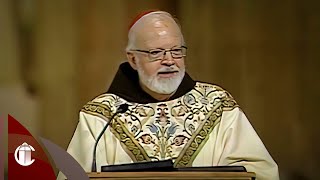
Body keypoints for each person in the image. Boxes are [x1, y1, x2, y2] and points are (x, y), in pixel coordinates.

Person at [61, 11, 279, 179]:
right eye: (156, 52)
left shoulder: (219, 105)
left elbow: (258, 171)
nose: (169, 60)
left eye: (177, 51)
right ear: (133, 59)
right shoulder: (101, 115)